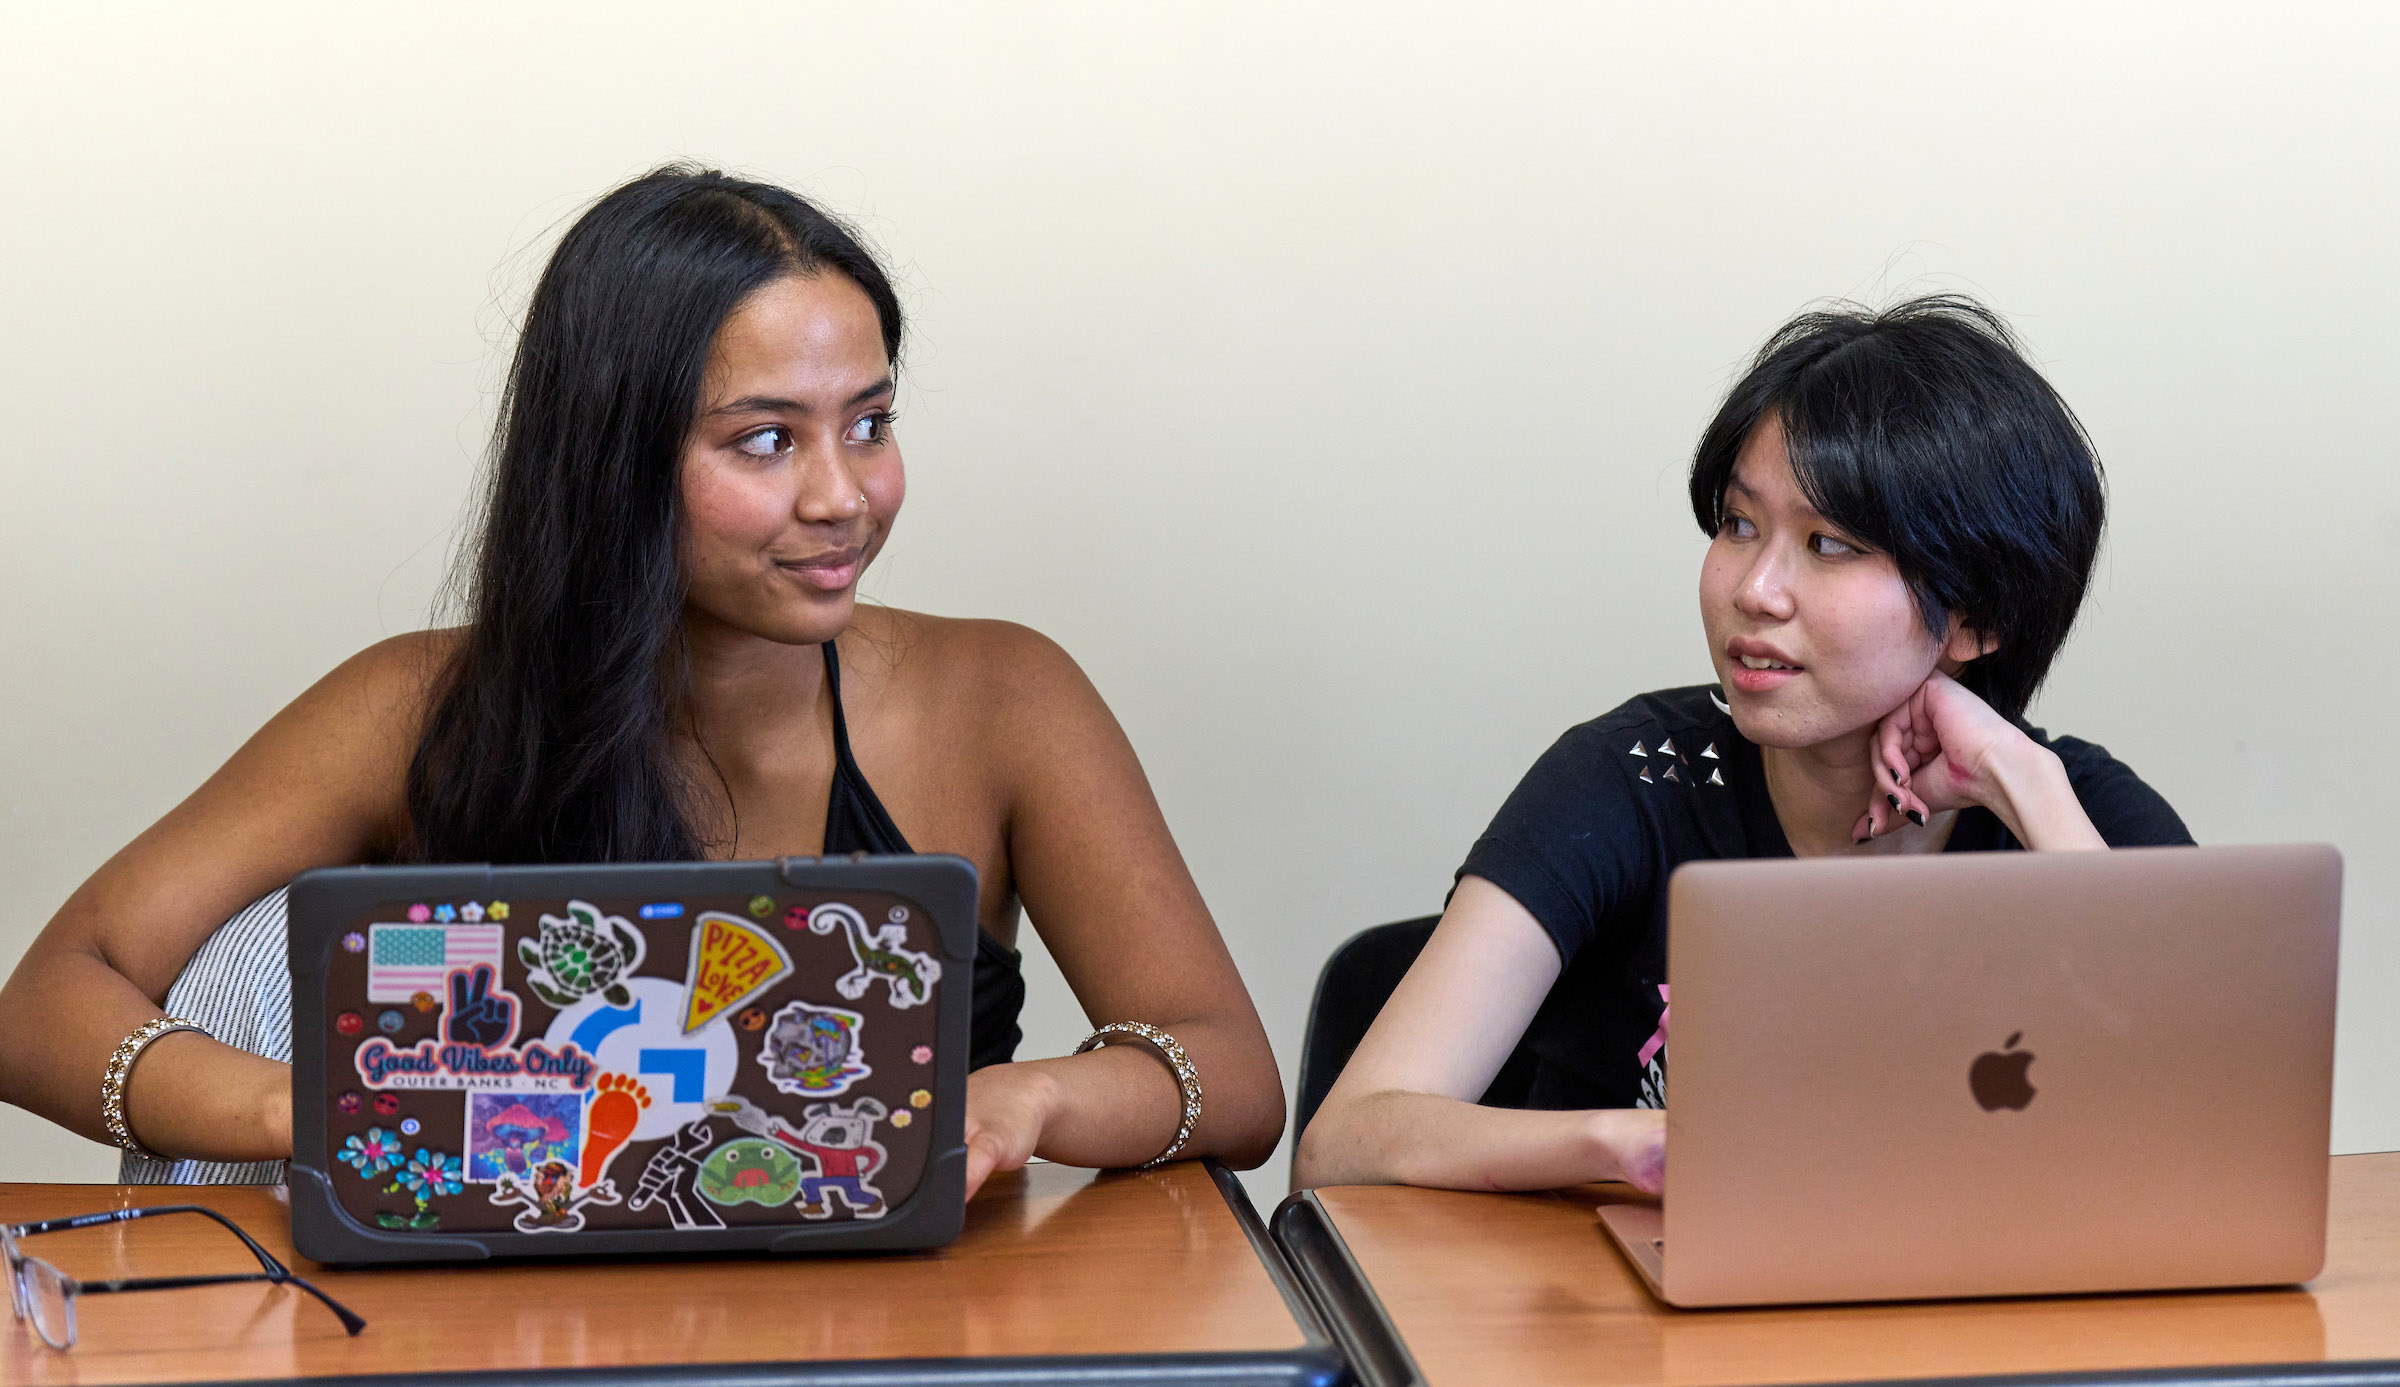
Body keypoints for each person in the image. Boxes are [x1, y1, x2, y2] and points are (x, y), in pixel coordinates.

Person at [0, 166, 1283, 1193]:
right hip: (488, 1332)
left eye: (873, 423)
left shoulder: (1004, 696)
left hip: (896, 1325)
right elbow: (45, 1002)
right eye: (767, 440)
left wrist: (1036, 1097)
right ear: (612, 456)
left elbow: (1234, 1076)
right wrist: (303, 1109)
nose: (844, 494)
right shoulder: (412, 707)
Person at [1293, 296, 2192, 1193]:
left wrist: (2019, 779)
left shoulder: (2079, 810)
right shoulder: (1630, 781)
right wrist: (1628, 1144)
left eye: (1831, 544)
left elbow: (2199, 1143)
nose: (1756, 589)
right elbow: (1347, 1141)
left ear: (1978, 615)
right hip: (1622, 1313)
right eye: (1739, 524)